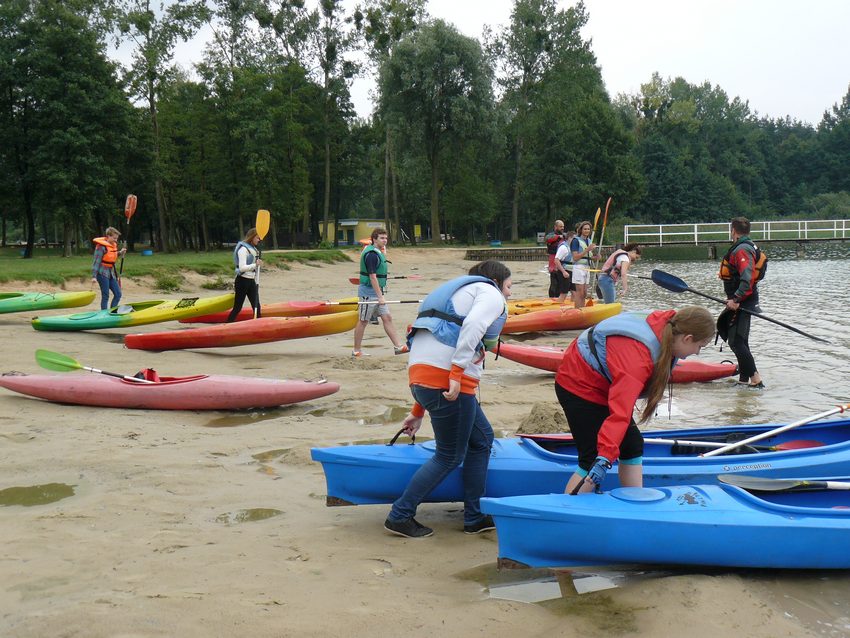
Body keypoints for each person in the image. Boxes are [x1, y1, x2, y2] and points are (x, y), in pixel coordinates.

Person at [384, 260, 512, 538]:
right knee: (449, 455)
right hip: (448, 382)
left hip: (422, 379)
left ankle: (475, 516)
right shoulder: (490, 293)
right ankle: (400, 515)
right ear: (497, 281)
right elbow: (475, 325)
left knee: (481, 439)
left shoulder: (456, 293)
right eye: (510, 286)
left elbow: (431, 346)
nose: (509, 294)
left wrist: (418, 410)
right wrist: (456, 372)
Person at [555, 306, 716, 494]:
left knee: (632, 445)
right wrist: (605, 458)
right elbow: (620, 413)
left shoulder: (670, 325)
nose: (697, 352)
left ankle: (635, 501)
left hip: (603, 384)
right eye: (699, 347)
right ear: (687, 338)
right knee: (591, 459)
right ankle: (571, 509)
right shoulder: (637, 359)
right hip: (578, 386)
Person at [718, 217, 765, 389]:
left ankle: (756, 380)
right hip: (744, 301)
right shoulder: (748, 246)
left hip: (743, 302)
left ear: (733, 231)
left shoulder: (742, 250)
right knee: (740, 340)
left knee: (736, 341)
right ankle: (744, 379)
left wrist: (736, 299)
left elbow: (746, 279)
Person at [352, 227, 407, 357]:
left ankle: (398, 346)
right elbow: (372, 276)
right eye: (382, 238)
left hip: (378, 293)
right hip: (368, 294)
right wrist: (380, 297)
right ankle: (356, 350)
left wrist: (380, 296)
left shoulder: (378, 252)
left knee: (387, 317)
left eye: (386, 238)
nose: (385, 240)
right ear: (374, 239)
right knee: (363, 321)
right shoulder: (371, 255)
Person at [226, 227, 263, 322]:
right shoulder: (243, 249)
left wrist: (257, 264)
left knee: (256, 306)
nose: (259, 240)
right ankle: (227, 325)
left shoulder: (254, 249)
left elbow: (253, 266)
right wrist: (255, 264)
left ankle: (259, 325)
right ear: (252, 237)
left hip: (251, 281)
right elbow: (242, 268)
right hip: (242, 281)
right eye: (257, 238)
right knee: (238, 307)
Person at [91, 226, 126, 310]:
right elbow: (96, 262)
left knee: (118, 294)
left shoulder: (112, 246)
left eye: (116, 238)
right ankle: (104, 313)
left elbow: (111, 256)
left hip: (111, 273)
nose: (116, 240)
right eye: (114, 238)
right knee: (105, 295)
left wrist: (120, 252)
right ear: (108, 236)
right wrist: (94, 276)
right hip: (101, 273)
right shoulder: (101, 247)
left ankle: (112, 311)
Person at [570, 220, 596, 308]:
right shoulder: (575, 241)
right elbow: (575, 257)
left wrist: (596, 257)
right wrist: (587, 250)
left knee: (585, 293)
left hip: (587, 267)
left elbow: (589, 257)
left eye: (588, 229)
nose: (587, 231)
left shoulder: (589, 241)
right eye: (585, 229)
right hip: (579, 267)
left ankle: (583, 308)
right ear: (581, 230)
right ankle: (578, 309)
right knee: (580, 292)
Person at [552, 230, 575, 303]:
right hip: (564, 272)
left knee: (575, 293)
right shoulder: (564, 248)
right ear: (569, 238)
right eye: (574, 239)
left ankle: (574, 309)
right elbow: (556, 260)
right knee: (564, 293)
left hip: (572, 272)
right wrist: (563, 272)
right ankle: (558, 308)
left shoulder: (573, 248)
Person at [545, 220, 565, 298]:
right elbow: (547, 239)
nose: (562, 228)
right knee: (554, 283)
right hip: (553, 261)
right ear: (555, 227)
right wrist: (558, 237)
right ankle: (552, 299)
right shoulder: (550, 235)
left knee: (561, 284)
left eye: (563, 226)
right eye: (560, 227)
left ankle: (559, 297)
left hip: (562, 262)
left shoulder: (564, 236)